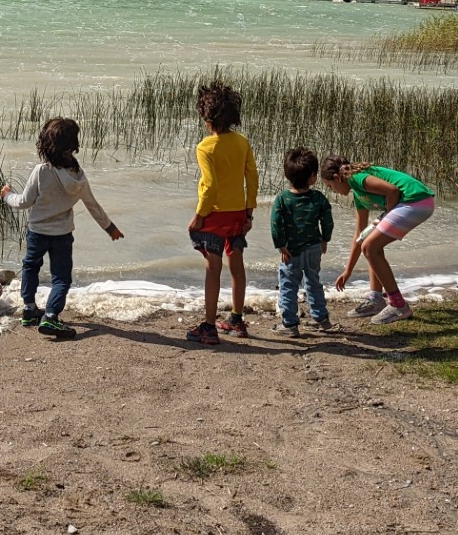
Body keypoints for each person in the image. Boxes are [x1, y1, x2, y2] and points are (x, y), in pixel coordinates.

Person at [0, 116, 123, 339]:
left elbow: (23, 202)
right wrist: (110, 227)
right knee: (61, 278)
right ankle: (50, 314)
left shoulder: (41, 171)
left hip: (37, 232)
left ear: (46, 145)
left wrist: (7, 195)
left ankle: (29, 310)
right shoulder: (78, 177)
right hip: (62, 235)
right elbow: (93, 206)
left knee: (30, 267)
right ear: (73, 145)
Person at [321, 156, 434, 325]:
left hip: (415, 201)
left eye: (331, 186)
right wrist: (348, 271)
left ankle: (398, 306)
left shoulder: (356, 178)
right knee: (370, 243)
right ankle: (375, 299)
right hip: (415, 203)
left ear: (337, 178)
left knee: (370, 247)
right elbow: (359, 235)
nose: (333, 191)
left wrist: (386, 214)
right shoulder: (359, 196)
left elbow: (392, 191)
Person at [185, 80, 256, 345]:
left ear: (206, 116)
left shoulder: (205, 147)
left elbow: (210, 186)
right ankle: (237, 320)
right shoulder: (241, 141)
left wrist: (200, 215)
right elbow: (252, 175)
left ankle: (209, 326)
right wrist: (249, 210)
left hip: (214, 215)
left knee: (212, 269)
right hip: (238, 212)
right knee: (236, 265)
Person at [271, 146, 334, 336]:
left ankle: (290, 324)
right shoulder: (318, 198)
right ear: (313, 176)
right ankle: (321, 318)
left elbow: (275, 223)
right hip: (314, 248)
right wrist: (325, 239)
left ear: (288, 175)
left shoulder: (282, 199)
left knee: (288, 286)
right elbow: (327, 220)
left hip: (291, 251)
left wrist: (281, 245)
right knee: (314, 282)